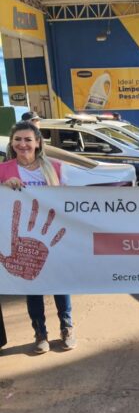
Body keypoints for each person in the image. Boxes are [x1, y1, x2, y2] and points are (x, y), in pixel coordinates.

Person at [0, 121, 76, 354]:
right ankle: (40, 332)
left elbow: (72, 202)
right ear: (12, 143)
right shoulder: (3, 170)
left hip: (52, 236)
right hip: (20, 239)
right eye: (18, 140)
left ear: (38, 142)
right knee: (32, 286)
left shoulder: (55, 168)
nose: (23, 144)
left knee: (60, 284)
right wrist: (3, 186)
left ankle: (67, 327)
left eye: (28, 139)